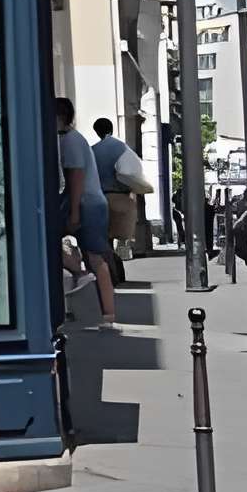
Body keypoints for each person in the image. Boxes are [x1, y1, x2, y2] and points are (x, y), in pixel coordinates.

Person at [56, 97, 115, 327]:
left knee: (96, 258)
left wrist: (74, 213)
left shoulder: (69, 141)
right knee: (94, 257)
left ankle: (108, 314)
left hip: (87, 204)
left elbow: (76, 177)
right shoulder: (72, 139)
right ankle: (81, 279)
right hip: (88, 202)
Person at [92, 117, 151, 267]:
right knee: (118, 236)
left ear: (96, 132)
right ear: (111, 129)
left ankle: (108, 268)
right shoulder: (121, 147)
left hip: (98, 198)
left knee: (104, 238)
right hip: (119, 199)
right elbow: (131, 172)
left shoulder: (92, 150)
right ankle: (115, 267)